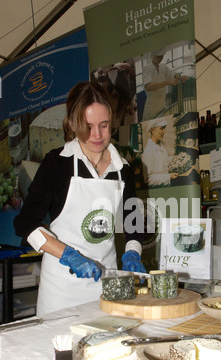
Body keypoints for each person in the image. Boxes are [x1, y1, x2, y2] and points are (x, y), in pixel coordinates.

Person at [14, 81, 145, 315]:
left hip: (107, 285)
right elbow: (26, 223)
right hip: (62, 290)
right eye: (88, 126)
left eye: (104, 125)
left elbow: (132, 223)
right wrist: (68, 255)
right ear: (73, 124)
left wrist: (133, 250)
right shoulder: (57, 164)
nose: (97, 135)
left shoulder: (122, 167)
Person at [142, 49, 188, 121]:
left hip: (162, 105)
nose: (160, 59)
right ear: (153, 55)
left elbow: (173, 75)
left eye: (162, 56)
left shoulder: (163, 67)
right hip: (151, 108)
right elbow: (148, 87)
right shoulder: (147, 68)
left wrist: (180, 77)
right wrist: (167, 82)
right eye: (159, 56)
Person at [141, 118, 178, 187]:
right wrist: (168, 177)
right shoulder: (148, 152)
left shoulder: (161, 145)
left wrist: (175, 159)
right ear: (152, 130)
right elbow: (148, 180)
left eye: (164, 129)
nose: (164, 132)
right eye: (161, 129)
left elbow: (162, 161)